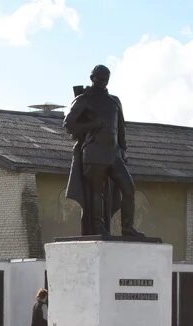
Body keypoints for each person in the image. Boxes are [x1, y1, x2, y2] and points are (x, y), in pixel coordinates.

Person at [63, 64, 144, 238]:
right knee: (96, 192)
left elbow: (121, 128)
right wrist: (92, 125)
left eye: (105, 80)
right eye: (99, 79)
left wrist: (123, 149)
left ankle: (128, 229)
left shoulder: (114, 101)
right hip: (94, 153)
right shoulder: (84, 99)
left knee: (129, 189)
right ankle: (98, 227)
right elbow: (69, 124)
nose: (102, 82)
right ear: (92, 78)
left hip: (114, 154)